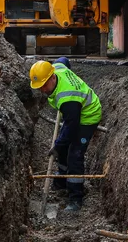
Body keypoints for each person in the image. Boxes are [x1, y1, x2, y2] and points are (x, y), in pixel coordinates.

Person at [29, 58, 101, 212]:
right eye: (39, 87)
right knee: (62, 145)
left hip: (88, 117)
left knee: (74, 155)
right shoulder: (56, 68)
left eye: (44, 85)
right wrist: (60, 145)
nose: (42, 90)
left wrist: (58, 146)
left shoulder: (68, 99)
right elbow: (63, 60)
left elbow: (72, 126)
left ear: (52, 77)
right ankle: (62, 180)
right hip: (74, 115)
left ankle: (75, 198)